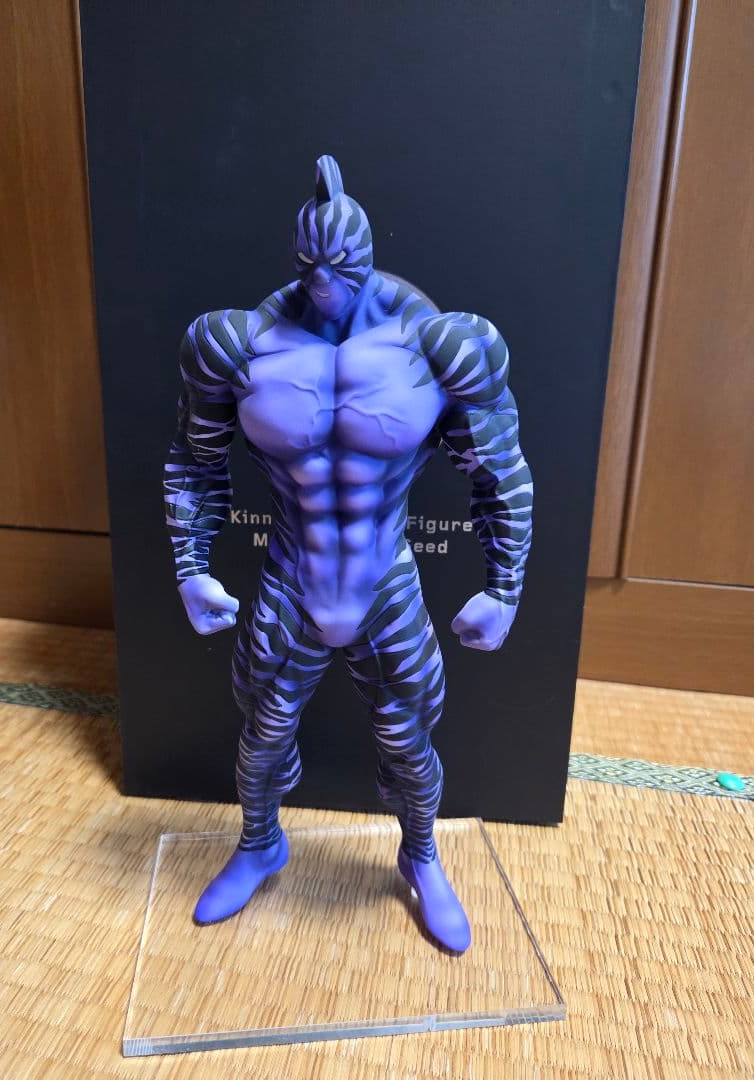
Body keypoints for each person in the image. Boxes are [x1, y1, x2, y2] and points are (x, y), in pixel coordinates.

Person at [163, 155, 532, 952]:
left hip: (384, 581)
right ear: (296, 256)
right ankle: (260, 844)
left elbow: (499, 470)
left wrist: (505, 584)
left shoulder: (441, 345)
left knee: (409, 741)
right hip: (291, 577)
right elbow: (193, 461)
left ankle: (421, 855)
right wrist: (191, 566)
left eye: (342, 264)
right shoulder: (237, 343)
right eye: (311, 264)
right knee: (262, 734)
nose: (325, 281)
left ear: (365, 253)